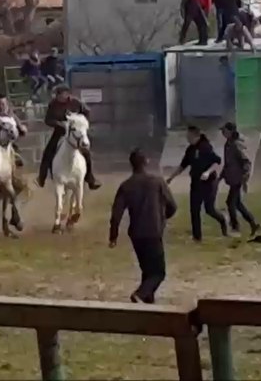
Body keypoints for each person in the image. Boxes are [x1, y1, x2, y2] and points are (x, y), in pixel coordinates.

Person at [109, 149, 177, 304]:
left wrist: (113, 236)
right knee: (158, 272)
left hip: (136, 234)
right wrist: (161, 218)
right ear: (146, 162)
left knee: (147, 270)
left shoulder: (126, 185)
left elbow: (116, 214)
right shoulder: (158, 182)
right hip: (154, 231)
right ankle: (140, 294)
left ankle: (148, 300)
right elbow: (173, 206)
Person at [167, 127, 228, 241]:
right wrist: (171, 178)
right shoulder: (190, 149)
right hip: (195, 183)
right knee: (194, 210)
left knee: (209, 209)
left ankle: (223, 220)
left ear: (196, 136)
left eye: (189, 136)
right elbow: (182, 166)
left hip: (209, 183)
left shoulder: (205, 147)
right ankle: (197, 237)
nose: (187, 138)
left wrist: (207, 172)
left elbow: (217, 162)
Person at [36, 86, 98, 190]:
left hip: (76, 133)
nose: (58, 97)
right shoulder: (53, 104)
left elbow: (87, 111)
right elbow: (48, 120)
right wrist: (59, 124)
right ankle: (41, 178)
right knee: (48, 152)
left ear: (67, 94)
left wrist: (82, 122)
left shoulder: (76, 102)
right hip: (60, 132)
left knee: (86, 153)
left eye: (61, 94)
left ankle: (90, 179)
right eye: (58, 94)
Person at [220, 122, 259, 236]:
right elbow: (227, 164)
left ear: (230, 131)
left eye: (224, 130)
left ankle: (235, 226)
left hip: (237, 179)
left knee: (231, 202)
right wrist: (221, 177)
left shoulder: (236, 145)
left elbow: (246, 162)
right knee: (237, 203)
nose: (222, 132)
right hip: (233, 178)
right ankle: (253, 223)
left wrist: (245, 177)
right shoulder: (228, 145)